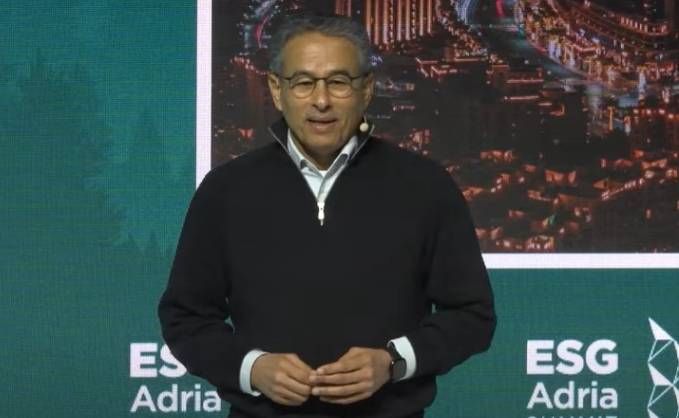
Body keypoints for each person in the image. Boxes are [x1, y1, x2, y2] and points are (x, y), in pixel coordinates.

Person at [158, 14, 495, 418]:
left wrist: (393, 361)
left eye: (338, 82)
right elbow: (185, 318)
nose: (321, 100)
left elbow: (472, 316)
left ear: (366, 89)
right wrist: (251, 368)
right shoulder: (225, 190)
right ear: (277, 90)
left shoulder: (426, 186)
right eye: (303, 83)